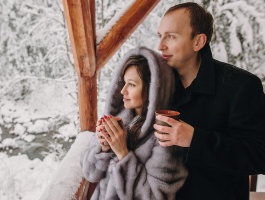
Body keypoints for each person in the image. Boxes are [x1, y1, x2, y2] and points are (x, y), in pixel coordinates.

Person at [154, 2, 265, 200]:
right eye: (160, 36)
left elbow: (259, 156)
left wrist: (195, 139)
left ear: (198, 42)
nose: (160, 45)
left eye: (170, 36)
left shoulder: (243, 86)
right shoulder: (156, 85)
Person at [81, 47, 188, 200]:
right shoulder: (118, 121)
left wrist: (123, 155)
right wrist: (103, 148)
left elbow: (154, 197)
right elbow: (90, 173)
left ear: (152, 89)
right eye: (124, 83)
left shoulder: (165, 137)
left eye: (131, 84)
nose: (123, 91)